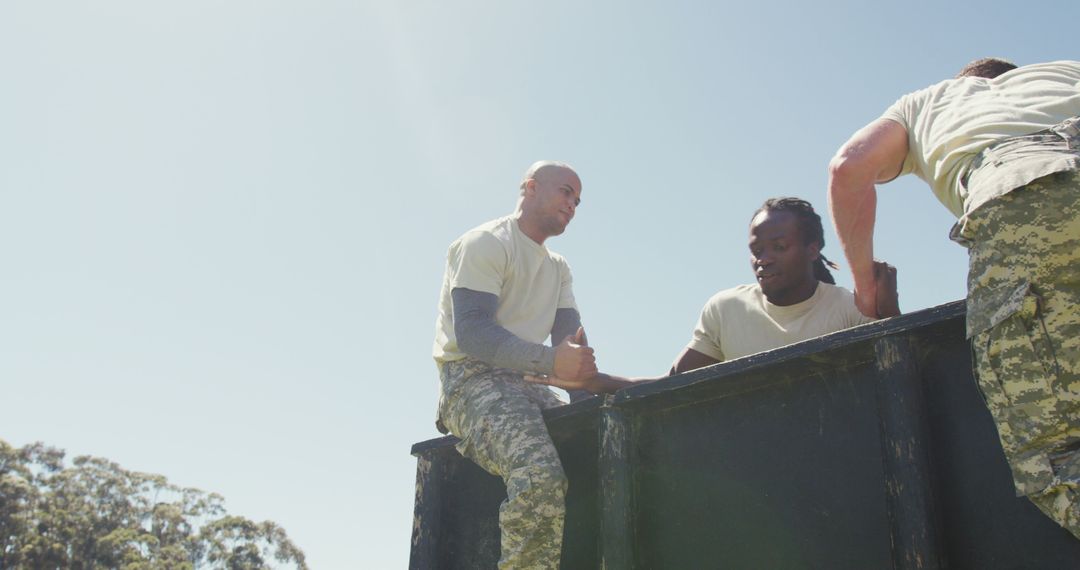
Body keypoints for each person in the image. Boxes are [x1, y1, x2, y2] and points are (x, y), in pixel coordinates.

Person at [827, 58, 1080, 537]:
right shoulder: (1066, 71)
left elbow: (849, 167)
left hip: (1028, 192)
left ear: (965, 86)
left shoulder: (928, 101)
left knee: (1060, 458)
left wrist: (865, 289)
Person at [432, 160, 633, 569]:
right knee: (537, 473)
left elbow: (569, 344)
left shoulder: (558, 268)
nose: (573, 204)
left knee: (594, 453)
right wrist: (551, 361)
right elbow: (472, 332)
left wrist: (586, 402)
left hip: (528, 380)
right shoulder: (486, 242)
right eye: (565, 192)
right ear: (530, 187)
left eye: (578, 200)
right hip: (469, 379)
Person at [670, 197, 899, 374]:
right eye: (757, 251)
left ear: (812, 249)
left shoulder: (850, 308)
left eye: (779, 247)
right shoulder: (724, 309)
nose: (764, 259)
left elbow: (897, 369)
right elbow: (673, 385)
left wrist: (890, 313)